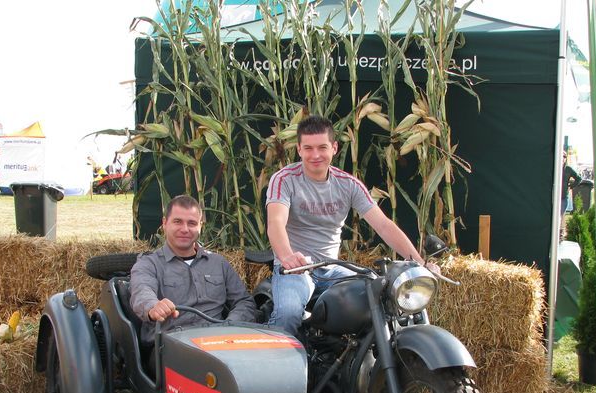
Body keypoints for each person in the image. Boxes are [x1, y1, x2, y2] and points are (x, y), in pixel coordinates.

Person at [266, 114, 439, 335]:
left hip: (332, 269)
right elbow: (276, 222)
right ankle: (281, 366)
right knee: (288, 314)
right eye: (308, 148)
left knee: (381, 294)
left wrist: (418, 262)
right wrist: (288, 257)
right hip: (296, 270)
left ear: (334, 148)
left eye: (322, 147)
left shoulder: (349, 185)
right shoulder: (284, 179)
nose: (315, 155)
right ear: (299, 149)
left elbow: (384, 226)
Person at [130, 194, 257, 343]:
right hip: (170, 345)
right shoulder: (148, 264)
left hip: (218, 343)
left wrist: (229, 327)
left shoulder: (218, 263)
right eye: (177, 222)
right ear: (164, 224)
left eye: (191, 223)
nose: (185, 229)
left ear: (200, 226)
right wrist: (153, 306)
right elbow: (141, 292)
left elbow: (244, 302)